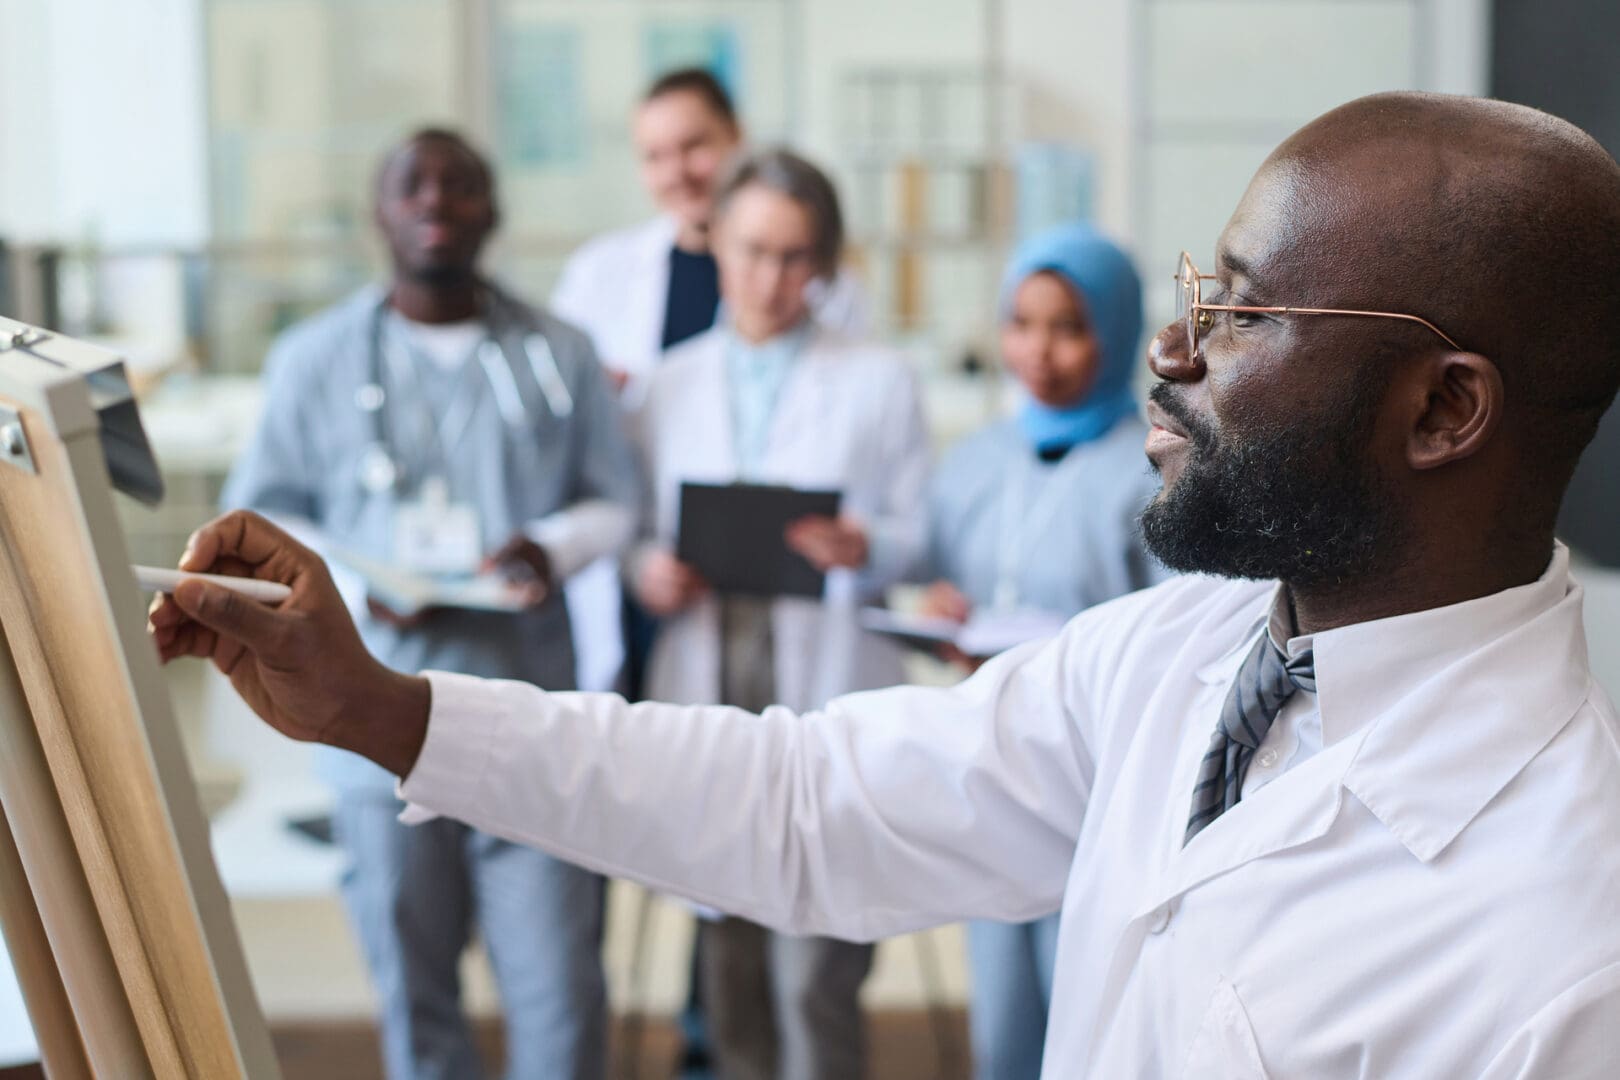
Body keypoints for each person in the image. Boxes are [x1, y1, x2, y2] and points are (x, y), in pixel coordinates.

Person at [155, 92, 1620, 1077]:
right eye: (1193, 294)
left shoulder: (1566, 948)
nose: (1171, 354)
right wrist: (387, 711)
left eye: (1240, 310)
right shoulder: (1177, 656)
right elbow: (806, 806)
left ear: (1443, 412)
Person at [220, 129, 638, 1080]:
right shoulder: (312, 358)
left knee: (560, 989)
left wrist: (554, 547)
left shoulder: (561, 353)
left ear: (491, 211)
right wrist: (358, 586)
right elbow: (265, 512)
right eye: (412, 184)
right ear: (380, 209)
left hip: (529, 712)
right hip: (374, 716)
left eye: (461, 186)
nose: (436, 202)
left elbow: (617, 500)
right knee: (415, 996)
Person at [627, 147, 930, 1080]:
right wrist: (650, 572)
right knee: (729, 971)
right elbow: (635, 530)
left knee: (814, 977)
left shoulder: (881, 378)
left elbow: (919, 535)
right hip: (710, 673)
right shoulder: (663, 384)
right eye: (753, 249)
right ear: (714, 239)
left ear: (827, 264)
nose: (771, 278)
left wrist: (863, 544)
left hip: (824, 678)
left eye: (798, 257)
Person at [913, 223, 1167, 1080]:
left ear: (1118, 329)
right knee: (1004, 1013)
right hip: (998, 761)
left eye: (1069, 325)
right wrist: (945, 616)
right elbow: (940, 576)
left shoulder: (1152, 472)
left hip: (1104, 775)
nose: (1039, 351)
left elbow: (1181, 629)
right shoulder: (976, 460)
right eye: (1020, 322)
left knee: (1092, 1008)